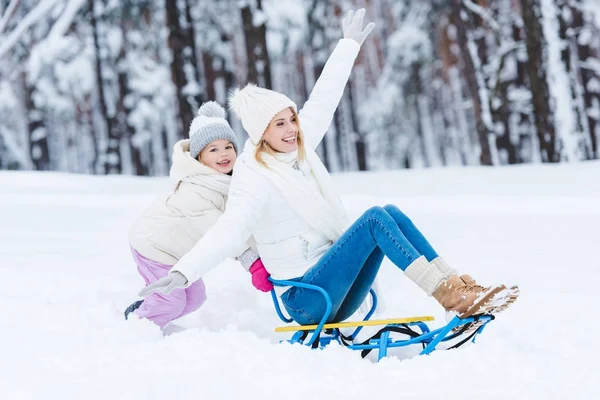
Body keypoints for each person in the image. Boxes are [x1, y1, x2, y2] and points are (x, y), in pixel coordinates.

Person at [138, 9, 518, 327]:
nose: (291, 129)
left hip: (332, 284)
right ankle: (450, 296)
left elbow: (323, 98)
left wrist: (348, 45)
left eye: (291, 119)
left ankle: (458, 286)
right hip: (308, 298)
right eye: (280, 124)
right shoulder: (252, 178)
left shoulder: (298, 146)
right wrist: (184, 272)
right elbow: (228, 232)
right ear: (260, 132)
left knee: (390, 214)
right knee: (373, 220)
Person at [125, 101, 271, 329]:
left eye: (228, 147)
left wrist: (269, 254)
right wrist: (253, 263)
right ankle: (136, 327)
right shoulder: (195, 189)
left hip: (177, 253)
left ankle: (150, 310)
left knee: (194, 299)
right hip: (153, 246)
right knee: (172, 302)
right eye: (213, 149)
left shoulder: (229, 183)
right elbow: (222, 232)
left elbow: (242, 223)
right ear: (199, 157)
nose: (223, 154)